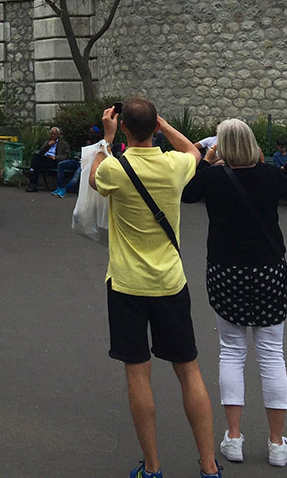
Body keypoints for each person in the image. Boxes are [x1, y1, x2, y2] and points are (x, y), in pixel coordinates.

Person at [89, 98, 220, 478]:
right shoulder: (174, 165)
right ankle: (209, 466)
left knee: (137, 372)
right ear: (154, 126)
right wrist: (162, 125)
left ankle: (153, 466)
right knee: (189, 370)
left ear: (125, 127)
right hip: (170, 282)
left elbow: (95, 175)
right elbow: (195, 152)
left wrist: (107, 140)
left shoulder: (116, 167)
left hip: (128, 283)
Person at [183, 120, 287, 468]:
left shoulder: (214, 179)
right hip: (267, 271)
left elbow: (187, 193)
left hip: (226, 269)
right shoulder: (269, 176)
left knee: (231, 352)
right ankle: (277, 443)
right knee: (271, 354)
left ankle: (234, 437)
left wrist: (207, 157)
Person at [25, 126, 70, 192]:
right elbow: (41, 152)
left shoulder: (64, 144)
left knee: (37, 165)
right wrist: (48, 145)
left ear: (58, 135)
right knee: (37, 158)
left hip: (54, 161)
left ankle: (32, 176)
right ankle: (33, 183)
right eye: (51, 134)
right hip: (45, 159)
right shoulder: (47, 142)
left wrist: (56, 157)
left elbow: (67, 155)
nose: (53, 135)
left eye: (54, 134)